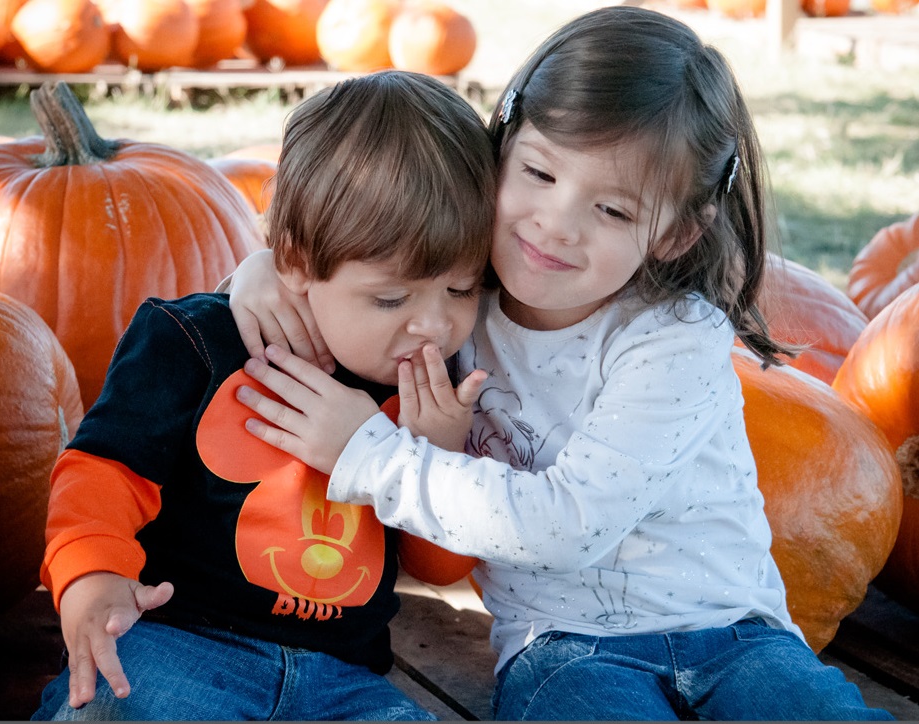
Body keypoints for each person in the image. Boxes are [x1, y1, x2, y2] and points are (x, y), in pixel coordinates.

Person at [223, 7, 893, 721]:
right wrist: (262, 268)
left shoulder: (672, 339)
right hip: (564, 647)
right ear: (503, 144)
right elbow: (357, 255)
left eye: (611, 211)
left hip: (733, 633)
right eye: (539, 172)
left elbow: (569, 525)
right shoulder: (454, 298)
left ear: (673, 233)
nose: (555, 223)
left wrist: (368, 454)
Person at [32, 69, 497, 722]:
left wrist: (437, 461)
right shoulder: (196, 341)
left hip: (344, 683)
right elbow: (104, 470)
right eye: (391, 297)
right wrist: (91, 575)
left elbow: (439, 569)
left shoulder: (433, 382)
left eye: (461, 289)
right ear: (297, 263)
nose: (433, 324)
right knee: (123, 707)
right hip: (180, 645)